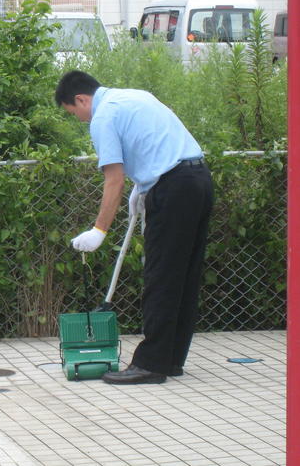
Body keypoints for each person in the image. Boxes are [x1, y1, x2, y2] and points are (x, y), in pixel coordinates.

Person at [55, 70, 213, 385]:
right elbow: (153, 146)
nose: (81, 120)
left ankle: (151, 364)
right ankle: (170, 360)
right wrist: (145, 186)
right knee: (184, 276)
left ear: (81, 99)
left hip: (172, 188)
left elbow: (113, 178)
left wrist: (99, 231)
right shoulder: (135, 95)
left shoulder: (103, 117)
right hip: (198, 181)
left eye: (75, 113)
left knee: (161, 276)